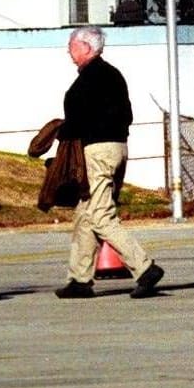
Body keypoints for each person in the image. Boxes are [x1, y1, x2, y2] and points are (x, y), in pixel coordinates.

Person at [53, 26, 165, 300]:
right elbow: (126, 114)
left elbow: (79, 120)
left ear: (87, 47)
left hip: (98, 151)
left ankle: (144, 267)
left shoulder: (92, 79)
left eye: (72, 45)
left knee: (100, 214)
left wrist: (62, 135)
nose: (68, 50)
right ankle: (79, 279)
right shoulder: (112, 75)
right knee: (85, 213)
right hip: (117, 148)